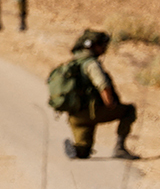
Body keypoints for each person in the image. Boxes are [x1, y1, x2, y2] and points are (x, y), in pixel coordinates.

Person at [59, 29, 138, 160]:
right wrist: (110, 104)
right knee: (129, 110)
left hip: (75, 117)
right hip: (92, 112)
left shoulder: (73, 63)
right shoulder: (91, 63)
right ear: (92, 46)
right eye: (101, 45)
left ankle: (78, 149)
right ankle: (120, 148)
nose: (104, 48)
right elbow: (103, 85)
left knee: (83, 152)